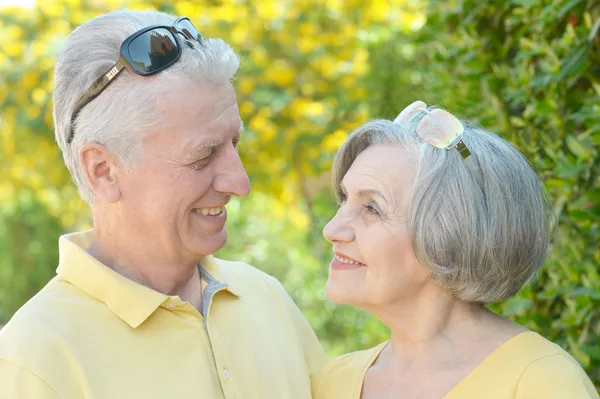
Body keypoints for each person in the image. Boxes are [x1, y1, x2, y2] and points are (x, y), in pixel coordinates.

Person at [0, 10, 326, 398]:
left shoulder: (266, 297)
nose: (240, 183)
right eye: (203, 156)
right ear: (102, 170)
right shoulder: (34, 360)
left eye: (234, 144)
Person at [313, 101, 599, 398]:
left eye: (372, 208)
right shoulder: (333, 383)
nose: (332, 230)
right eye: (344, 199)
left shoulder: (541, 382)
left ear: (450, 233)